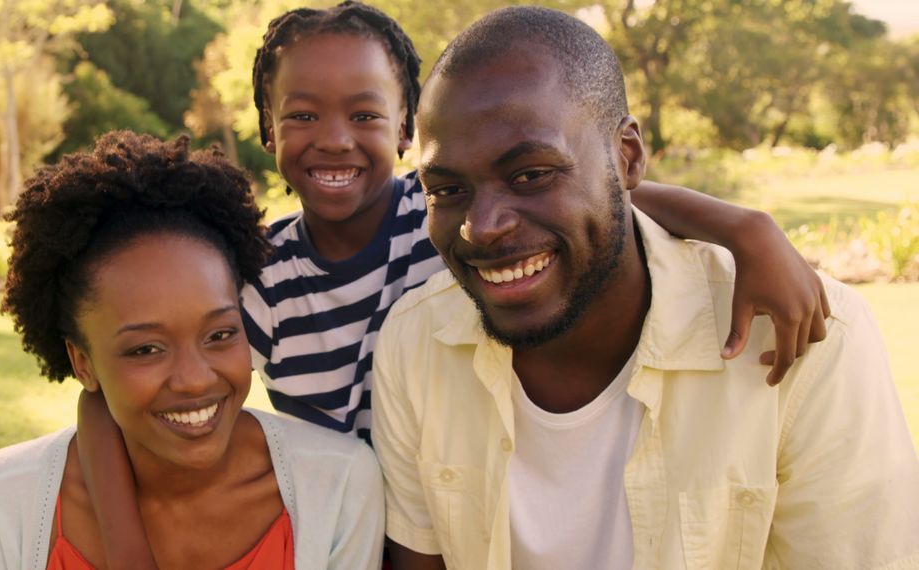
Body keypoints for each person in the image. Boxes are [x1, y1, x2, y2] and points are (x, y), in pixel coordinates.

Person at [78, 2, 833, 566]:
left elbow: (588, 200)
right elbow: (119, 383)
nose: (335, 137)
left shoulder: (443, 217)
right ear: (268, 132)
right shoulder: (258, 273)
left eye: (365, 113)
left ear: (407, 131)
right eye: (302, 114)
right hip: (333, 538)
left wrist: (744, 228)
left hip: (444, 525)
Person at [372, 6, 919, 569]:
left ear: (626, 156)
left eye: (531, 174)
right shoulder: (418, 344)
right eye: (447, 190)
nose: (482, 226)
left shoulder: (807, 340)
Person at [0, 132, 385, 569]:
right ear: (83, 363)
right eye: (146, 349)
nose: (195, 378)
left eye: (219, 335)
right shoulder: (5, 500)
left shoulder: (338, 486)